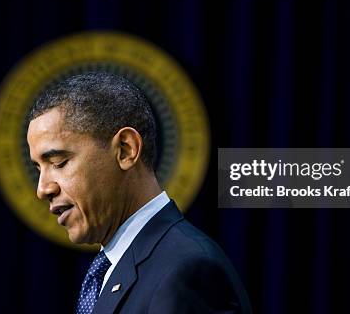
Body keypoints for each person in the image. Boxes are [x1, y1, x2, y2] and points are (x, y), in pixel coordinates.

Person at [27, 72, 252, 314]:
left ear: (126, 150)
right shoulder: (112, 270)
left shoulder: (186, 269)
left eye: (59, 162)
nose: (43, 189)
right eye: (39, 168)